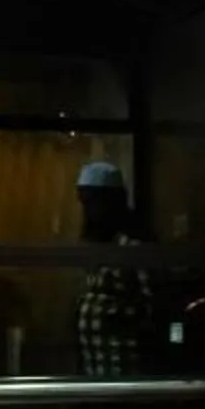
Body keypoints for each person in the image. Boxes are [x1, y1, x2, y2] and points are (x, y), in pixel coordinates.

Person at [72, 159, 152, 379]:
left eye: (93, 203)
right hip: (94, 369)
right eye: (84, 204)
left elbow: (155, 307)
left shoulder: (132, 249)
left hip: (124, 373)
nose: (88, 212)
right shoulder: (97, 248)